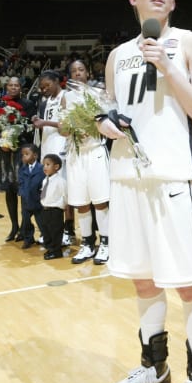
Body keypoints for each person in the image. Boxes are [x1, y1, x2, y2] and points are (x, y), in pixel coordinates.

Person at [96, 0, 192, 383]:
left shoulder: (191, 44)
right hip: (128, 178)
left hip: (175, 179)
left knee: (188, 282)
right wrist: (104, 125)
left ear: (172, 1)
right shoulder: (116, 56)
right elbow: (112, 115)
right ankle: (155, 367)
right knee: (143, 281)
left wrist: (169, 68)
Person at [63, 60, 111, 266]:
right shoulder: (66, 97)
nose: (77, 73)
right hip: (75, 153)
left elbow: (106, 123)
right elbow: (62, 129)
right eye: (73, 71)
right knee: (81, 202)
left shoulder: (96, 94)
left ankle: (106, 243)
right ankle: (87, 244)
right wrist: (71, 127)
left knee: (100, 200)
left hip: (95, 151)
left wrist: (90, 125)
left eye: (81, 70)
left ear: (88, 72)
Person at [32, 70, 74, 244]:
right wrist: (38, 121)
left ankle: (69, 231)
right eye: (41, 87)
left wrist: (45, 123)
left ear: (57, 81)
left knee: (64, 192)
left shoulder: (66, 97)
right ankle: (53, 231)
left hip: (62, 147)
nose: (44, 89)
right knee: (51, 191)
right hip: (48, 145)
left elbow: (68, 124)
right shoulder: (46, 101)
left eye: (47, 85)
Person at [0, 76, 36, 242]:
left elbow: (31, 128)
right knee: (9, 191)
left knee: (23, 192)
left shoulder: (28, 104)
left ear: (21, 88)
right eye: (10, 85)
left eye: (16, 85)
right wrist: (2, 140)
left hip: (22, 153)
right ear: (7, 87)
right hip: (5, 153)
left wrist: (14, 138)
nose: (13, 88)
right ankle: (13, 226)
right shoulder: (0, 105)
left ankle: (26, 228)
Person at [39, 153, 67, 259]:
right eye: (44, 165)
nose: (44, 167)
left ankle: (56, 251)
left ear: (56, 167)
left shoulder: (61, 181)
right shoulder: (45, 180)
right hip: (45, 209)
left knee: (55, 232)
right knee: (46, 231)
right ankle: (50, 249)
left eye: (47, 164)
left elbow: (65, 195)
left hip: (55, 210)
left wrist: (61, 207)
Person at [18, 143, 44, 249]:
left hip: (38, 200)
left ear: (35, 155)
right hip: (26, 200)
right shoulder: (22, 169)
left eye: (27, 154)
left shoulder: (41, 169)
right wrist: (22, 193)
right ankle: (28, 239)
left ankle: (46, 237)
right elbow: (21, 182)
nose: (24, 156)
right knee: (26, 222)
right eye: (23, 154)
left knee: (41, 222)